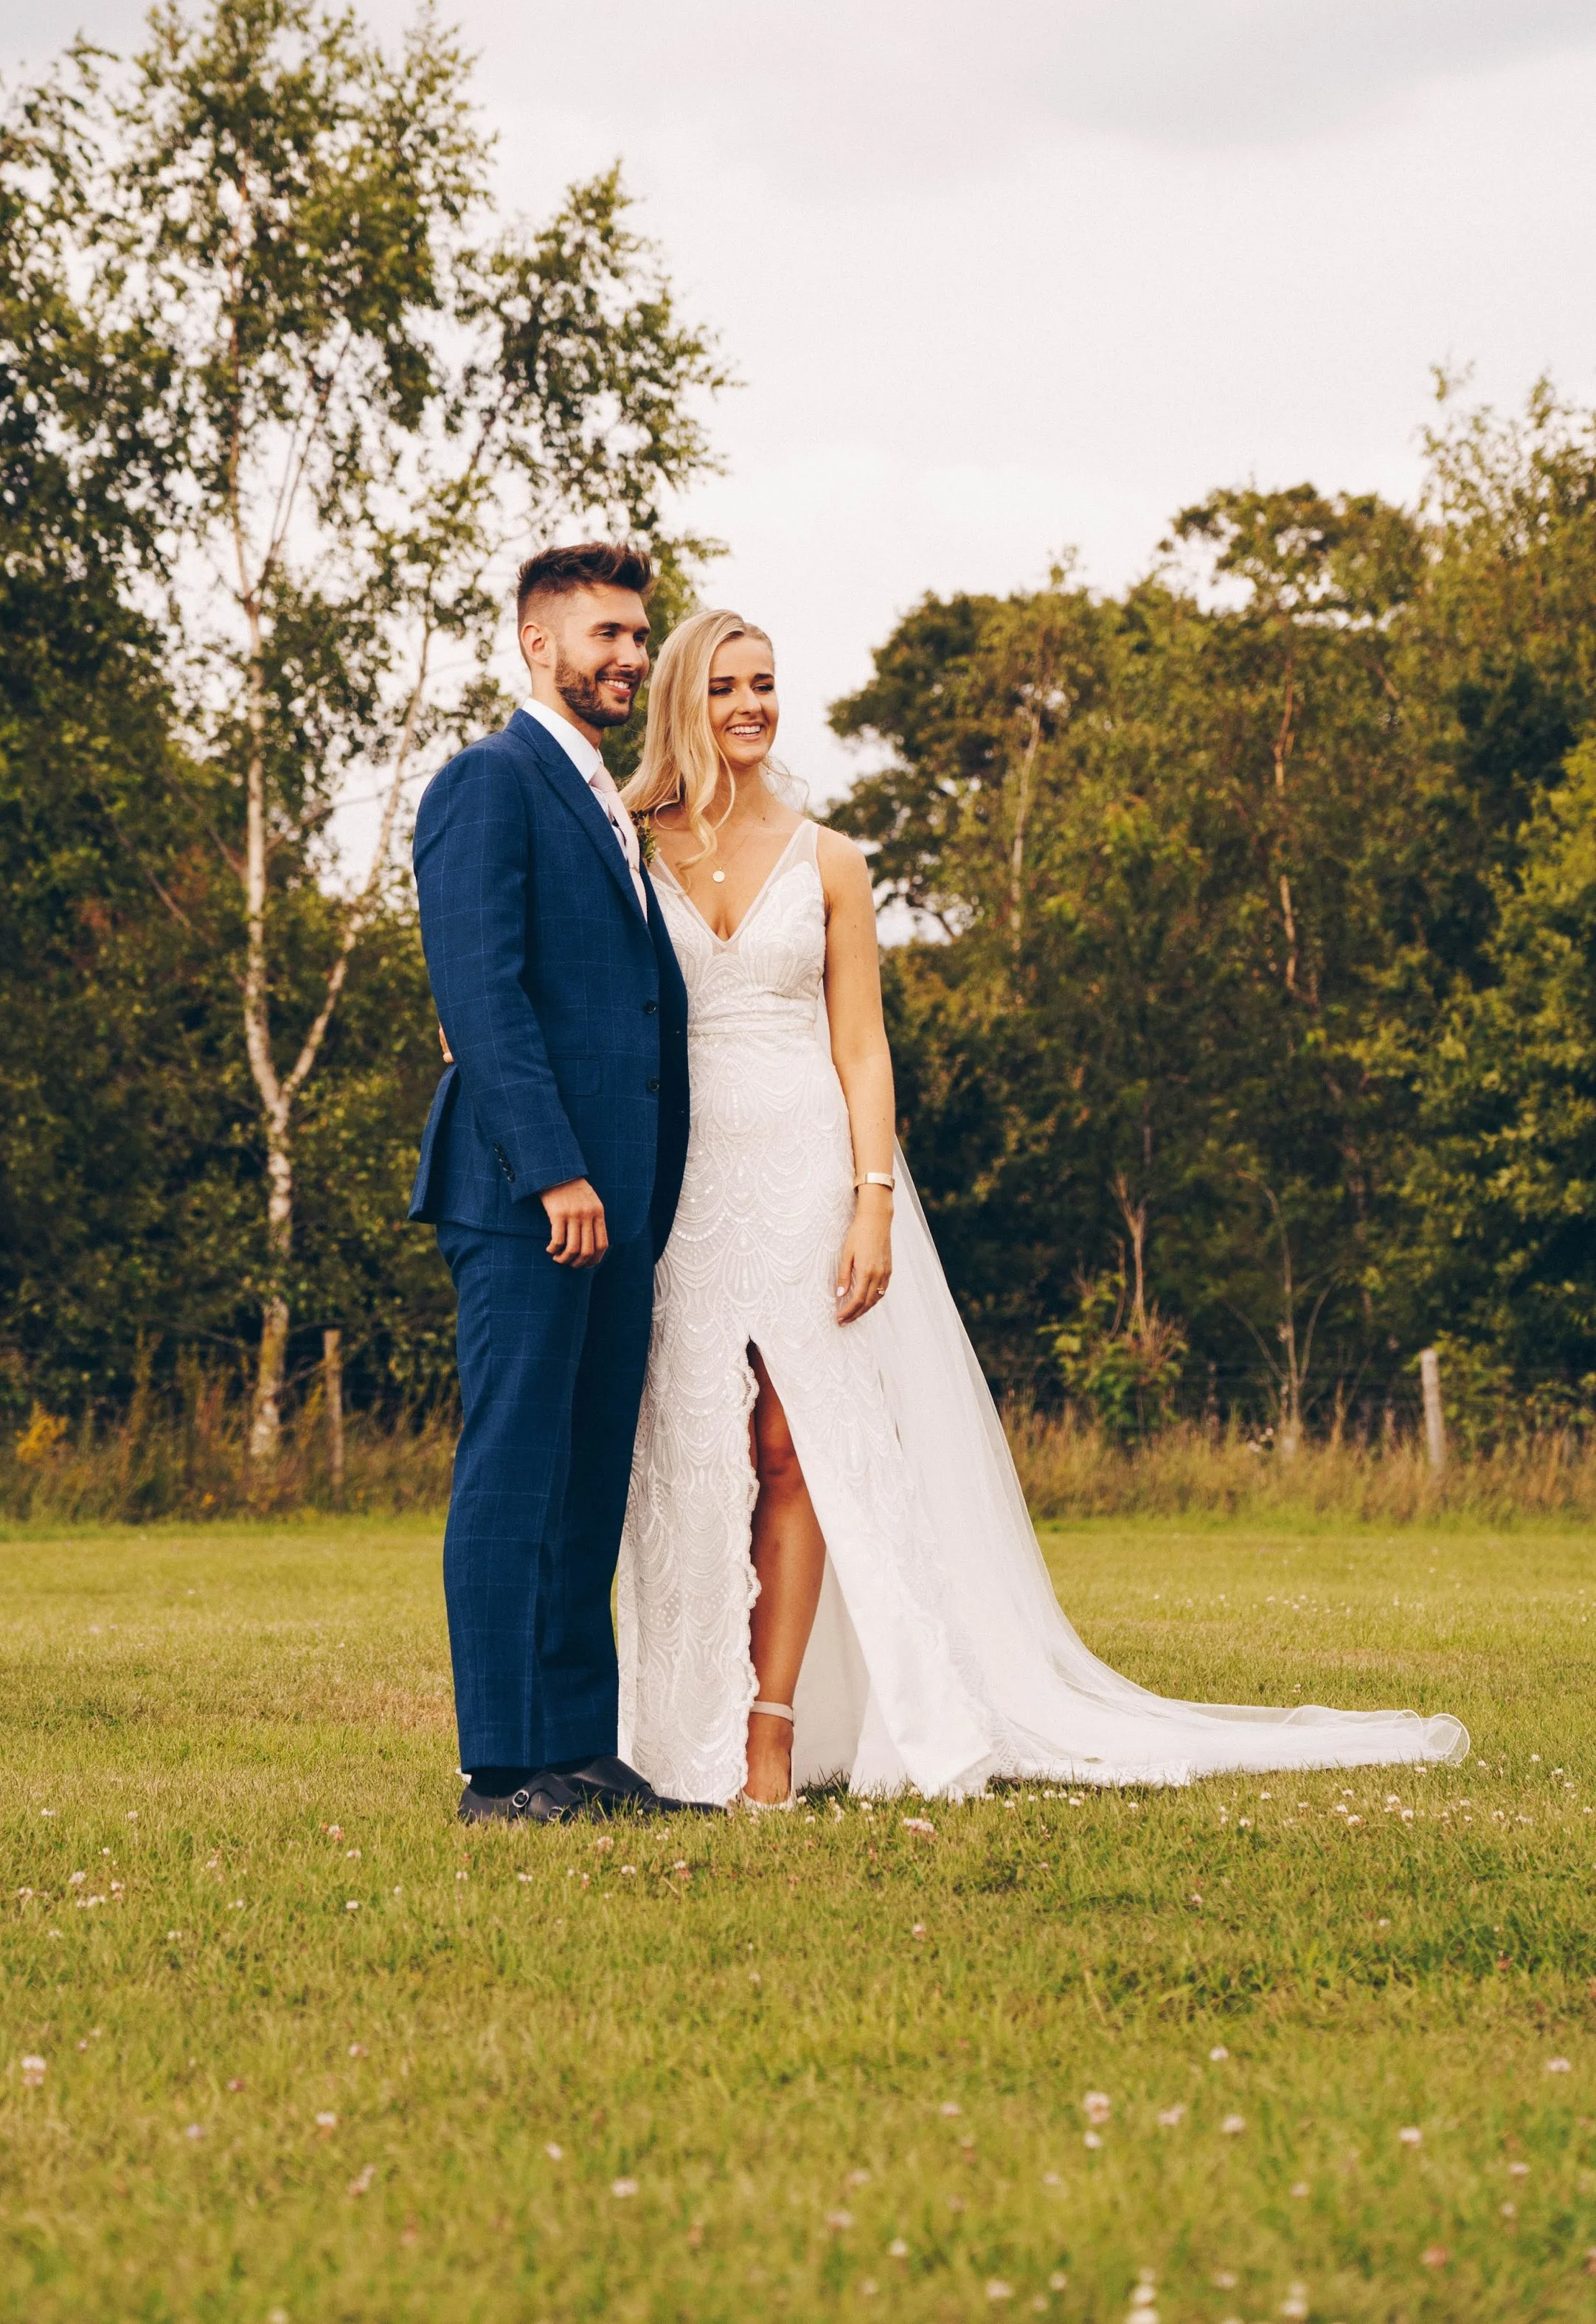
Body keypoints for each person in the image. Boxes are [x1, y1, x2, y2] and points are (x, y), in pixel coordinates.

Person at [615, 608, 1469, 1808]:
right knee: (699, 1449)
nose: (752, 705)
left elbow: (862, 1048)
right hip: (684, 1179)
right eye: (727, 686)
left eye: (766, 683)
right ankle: (674, 1726)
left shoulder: (831, 861)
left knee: (795, 1445)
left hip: (807, 1169)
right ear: (681, 704)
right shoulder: (630, 844)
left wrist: (870, 1203)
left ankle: (770, 1730)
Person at [409, 543, 695, 1824]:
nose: (631, 655)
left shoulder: (607, 802)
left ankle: (580, 1751)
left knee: (588, 1475)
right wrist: (558, 1174)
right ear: (538, 643)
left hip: (618, 1209)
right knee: (517, 1468)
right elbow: (482, 997)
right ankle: (502, 1770)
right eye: (606, 635)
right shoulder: (491, 783)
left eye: (639, 634)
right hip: (534, 1198)